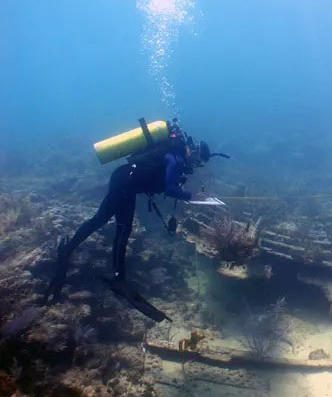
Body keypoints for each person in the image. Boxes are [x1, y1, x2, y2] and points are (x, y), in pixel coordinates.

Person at [44, 122, 218, 322]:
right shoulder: (177, 158)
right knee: (123, 230)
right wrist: (192, 195)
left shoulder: (174, 153)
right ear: (194, 153)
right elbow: (170, 189)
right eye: (197, 162)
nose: (195, 167)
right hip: (126, 184)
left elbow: (163, 182)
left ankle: (69, 248)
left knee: (100, 219)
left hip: (121, 177)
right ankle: (119, 279)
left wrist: (186, 193)